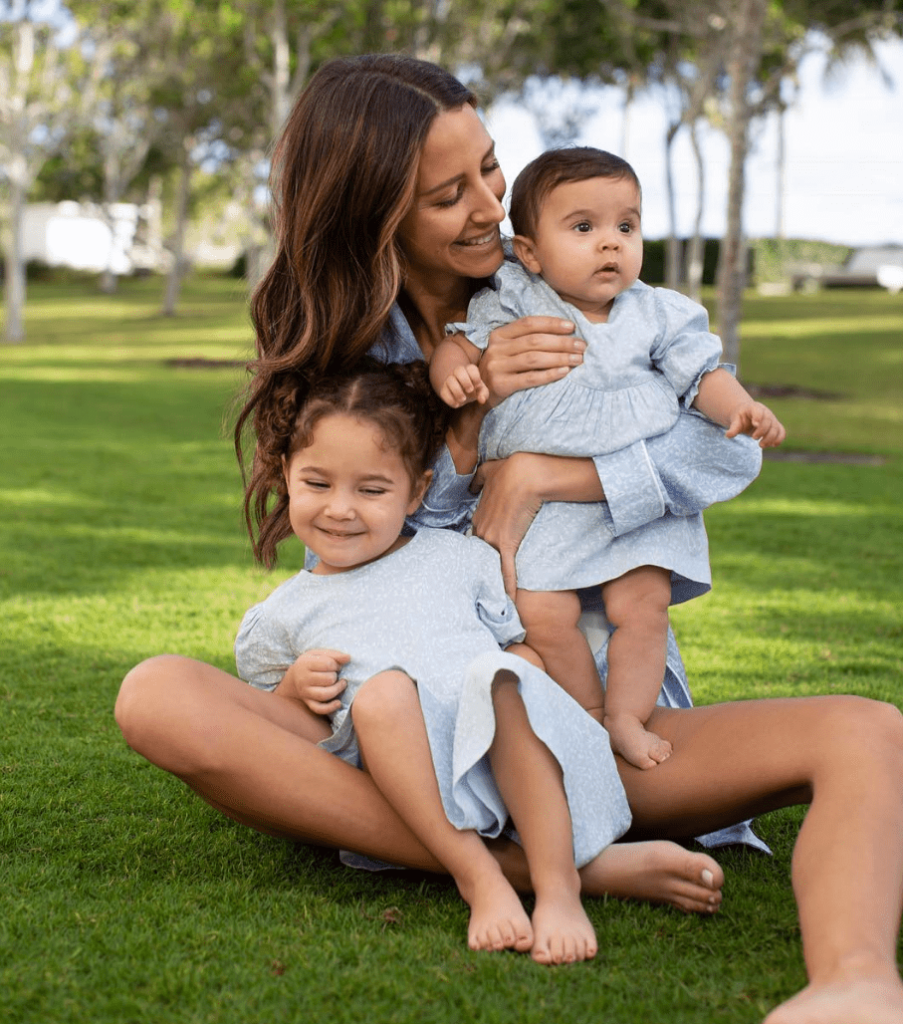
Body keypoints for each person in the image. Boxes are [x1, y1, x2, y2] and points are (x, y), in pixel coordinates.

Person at [115, 54, 903, 1023]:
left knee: (869, 730)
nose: (491, 204)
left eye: (489, 167)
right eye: (450, 194)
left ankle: (857, 981)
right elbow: (367, 565)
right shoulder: (356, 368)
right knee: (158, 695)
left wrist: (542, 474)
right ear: (378, 220)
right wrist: (466, 429)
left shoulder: (588, 303)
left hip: (586, 720)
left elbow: (722, 455)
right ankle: (543, 864)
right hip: (416, 725)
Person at [234, 359, 719, 963]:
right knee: (382, 693)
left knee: (501, 677)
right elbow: (264, 714)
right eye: (317, 483)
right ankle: (478, 875)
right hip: (410, 781)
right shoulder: (283, 613)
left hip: (497, 752)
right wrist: (290, 689)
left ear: (416, 489)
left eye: (372, 489)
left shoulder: (457, 557)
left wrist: (523, 661)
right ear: (286, 475)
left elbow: (513, 639)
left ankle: (559, 890)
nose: (340, 509)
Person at [429, 147, 786, 770]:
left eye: (627, 226)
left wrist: (740, 407)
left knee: (640, 607)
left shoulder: (657, 313)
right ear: (532, 252)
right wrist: (453, 372)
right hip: (546, 519)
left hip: (630, 508)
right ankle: (589, 715)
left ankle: (626, 715)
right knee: (541, 611)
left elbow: (700, 377)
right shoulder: (515, 296)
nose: (610, 245)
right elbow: (461, 344)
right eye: (584, 228)